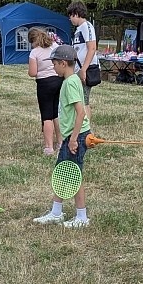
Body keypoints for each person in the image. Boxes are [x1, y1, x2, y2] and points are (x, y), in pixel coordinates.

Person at [32, 44, 92, 228]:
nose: (53, 67)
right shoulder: (71, 81)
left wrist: (73, 139)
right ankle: (56, 212)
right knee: (63, 173)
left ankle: (82, 217)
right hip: (71, 136)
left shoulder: (71, 83)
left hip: (75, 137)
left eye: (55, 64)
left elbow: (81, 113)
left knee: (73, 175)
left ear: (63, 63)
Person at [26, 27, 63, 155]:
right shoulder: (54, 46)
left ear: (32, 41)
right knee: (56, 113)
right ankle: (60, 142)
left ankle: (49, 147)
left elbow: (33, 72)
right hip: (58, 80)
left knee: (47, 115)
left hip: (44, 83)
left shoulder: (35, 52)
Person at [67, 0, 98, 114]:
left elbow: (92, 48)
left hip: (86, 69)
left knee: (84, 101)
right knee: (78, 100)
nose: (70, 19)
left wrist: (83, 69)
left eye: (70, 16)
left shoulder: (87, 26)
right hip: (78, 69)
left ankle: (86, 124)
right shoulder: (78, 29)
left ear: (76, 14)